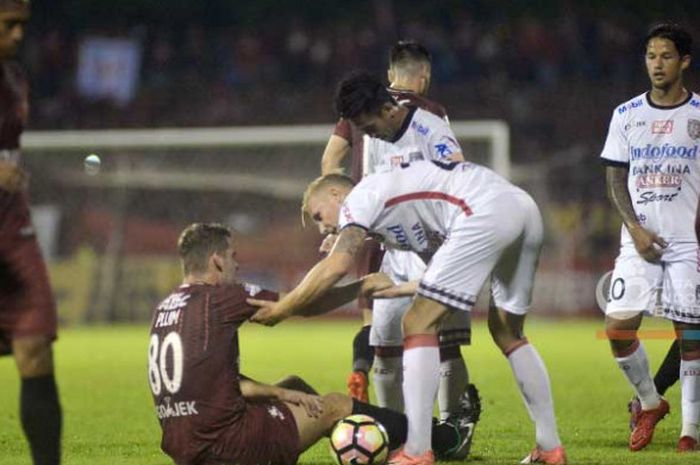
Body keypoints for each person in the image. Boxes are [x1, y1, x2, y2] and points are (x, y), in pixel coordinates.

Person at [250, 159, 566, 465]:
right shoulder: (400, 224)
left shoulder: (360, 198)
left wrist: (283, 307)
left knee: (416, 322)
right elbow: (435, 276)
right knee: (508, 333)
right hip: (521, 208)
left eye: (319, 216)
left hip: (486, 209)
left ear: (336, 195)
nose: (321, 228)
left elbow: (337, 265)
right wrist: (375, 287)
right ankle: (550, 447)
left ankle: (417, 450)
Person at [148, 223, 473, 465]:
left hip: (185, 446)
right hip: (227, 445)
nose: (238, 264)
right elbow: (300, 303)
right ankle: (443, 437)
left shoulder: (165, 309)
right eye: (233, 257)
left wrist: (280, 393)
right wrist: (360, 288)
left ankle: (359, 440)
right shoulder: (221, 297)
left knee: (296, 387)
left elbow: (212, 384)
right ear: (217, 262)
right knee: (335, 405)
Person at [322, 47, 477, 429]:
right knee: (446, 345)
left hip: (384, 236)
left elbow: (331, 164)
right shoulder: (429, 111)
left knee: (384, 347)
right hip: (420, 240)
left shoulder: (372, 114)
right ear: (423, 76)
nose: (371, 130)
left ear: (392, 73)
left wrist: (347, 221)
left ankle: (399, 428)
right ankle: (448, 426)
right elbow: (455, 175)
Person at [600, 21, 700, 453]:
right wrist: (635, 228)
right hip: (637, 241)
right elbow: (614, 178)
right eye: (651, 56)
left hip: (687, 242)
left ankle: (690, 431)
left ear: (684, 62)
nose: (657, 64)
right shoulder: (626, 115)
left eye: (666, 56)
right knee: (618, 328)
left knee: (690, 335)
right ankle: (650, 402)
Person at [0, 1, 62, 464]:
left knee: (36, 344)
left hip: (11, 227)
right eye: (9, 25)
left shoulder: (14, 77)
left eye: (23, 25)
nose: (19, 34)